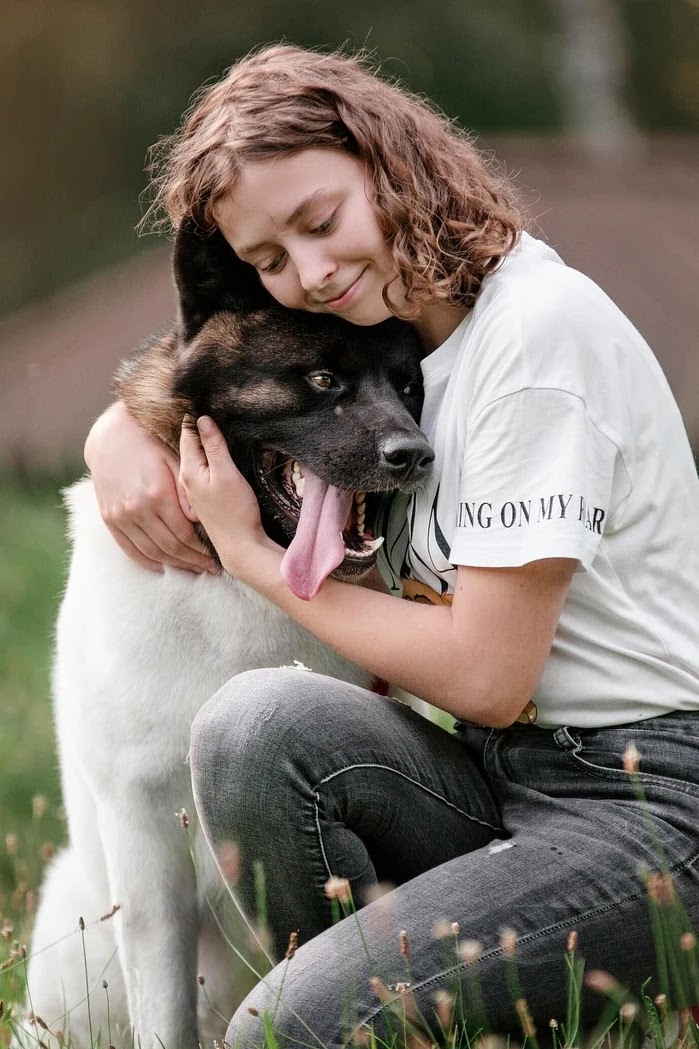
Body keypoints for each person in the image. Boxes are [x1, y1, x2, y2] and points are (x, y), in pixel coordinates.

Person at [85, 44, 699, 1046]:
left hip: (651, 805)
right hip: (504, 776)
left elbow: (489, 677)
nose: (310, 272)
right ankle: (377, 1009)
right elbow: (226, 364)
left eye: (320, 220)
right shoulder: (400, 339)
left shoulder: (534, 338)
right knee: (255, 724)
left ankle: (343, 1011)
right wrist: (118, 429)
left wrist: (250, 558)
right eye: (270, 259)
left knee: (281, 1028)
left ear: (389, 161)